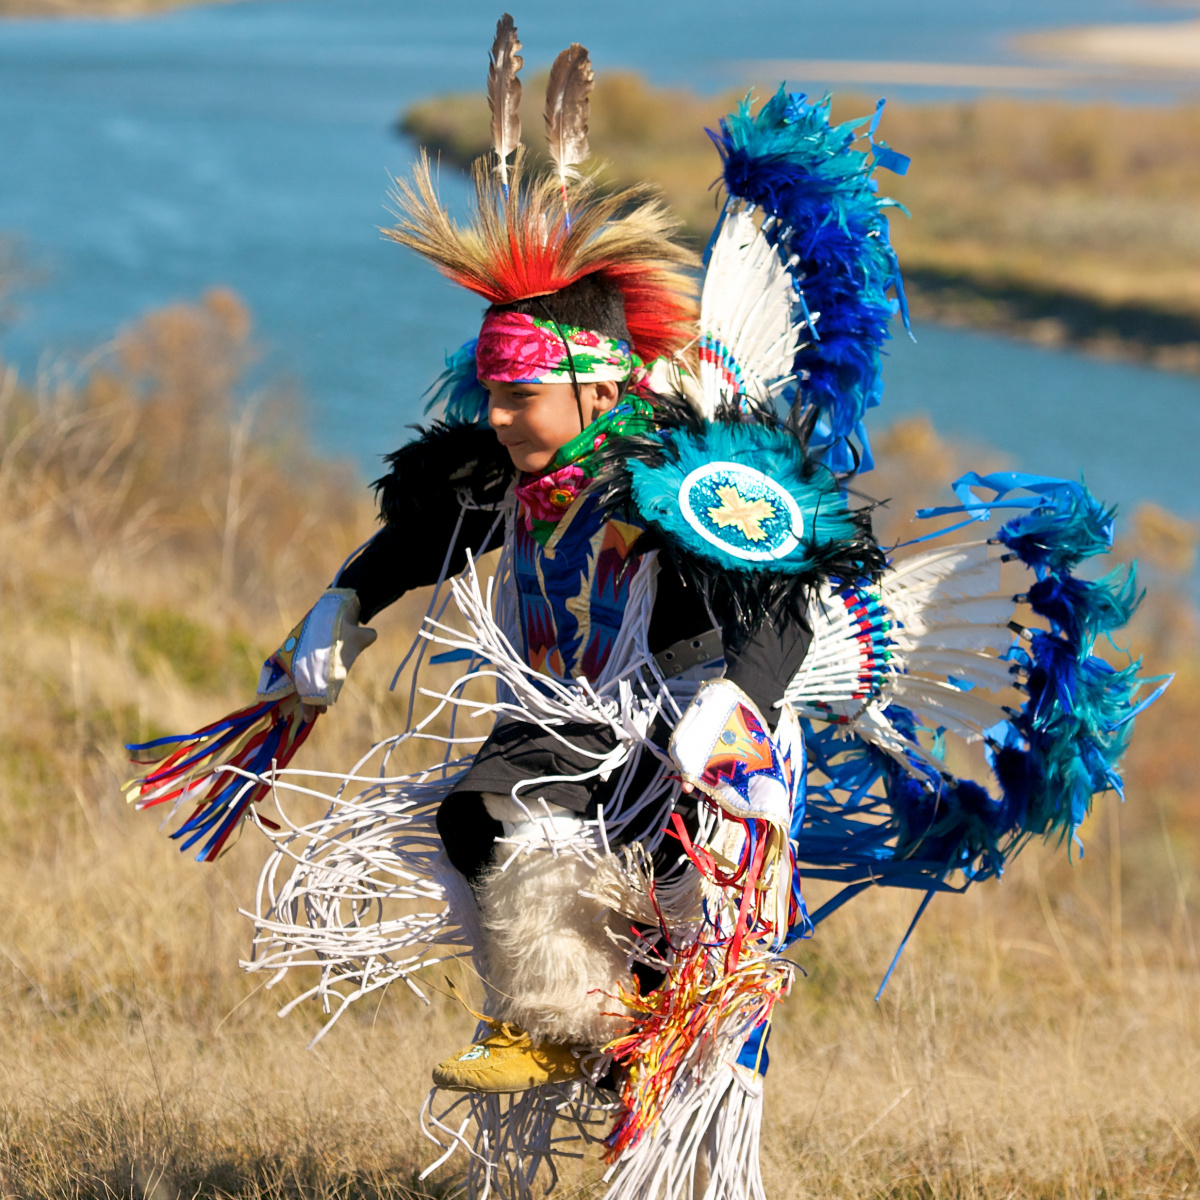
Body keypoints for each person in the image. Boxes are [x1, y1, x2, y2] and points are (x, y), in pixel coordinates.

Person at [127, 17, 1160, 1200]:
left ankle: (644, 1079)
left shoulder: (683, 479)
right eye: (496, 395)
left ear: (599, 379)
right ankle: (563, 1020)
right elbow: (413, 536)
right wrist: (338, 612)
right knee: (480, 822)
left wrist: (738, 709)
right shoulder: (497, 481)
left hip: (700, 756)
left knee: (689, 1035)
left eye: (524, 397)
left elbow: (780, 596)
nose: (503, 418)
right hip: (575, 722)